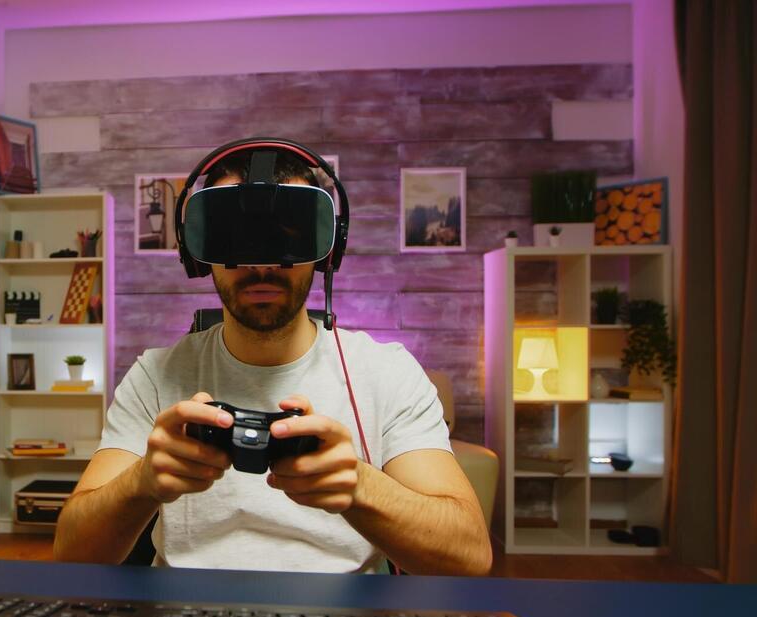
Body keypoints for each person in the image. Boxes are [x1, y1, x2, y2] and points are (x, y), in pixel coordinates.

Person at [53, 141, 492, 576]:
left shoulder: (386, 373)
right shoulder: (156, 375)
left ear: (327, 250)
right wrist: (141, 483)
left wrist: (360, 486)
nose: (261, 264)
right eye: (236, 238)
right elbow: (71, 554)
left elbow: (469, 557)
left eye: (285, 237)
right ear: (199, 252)